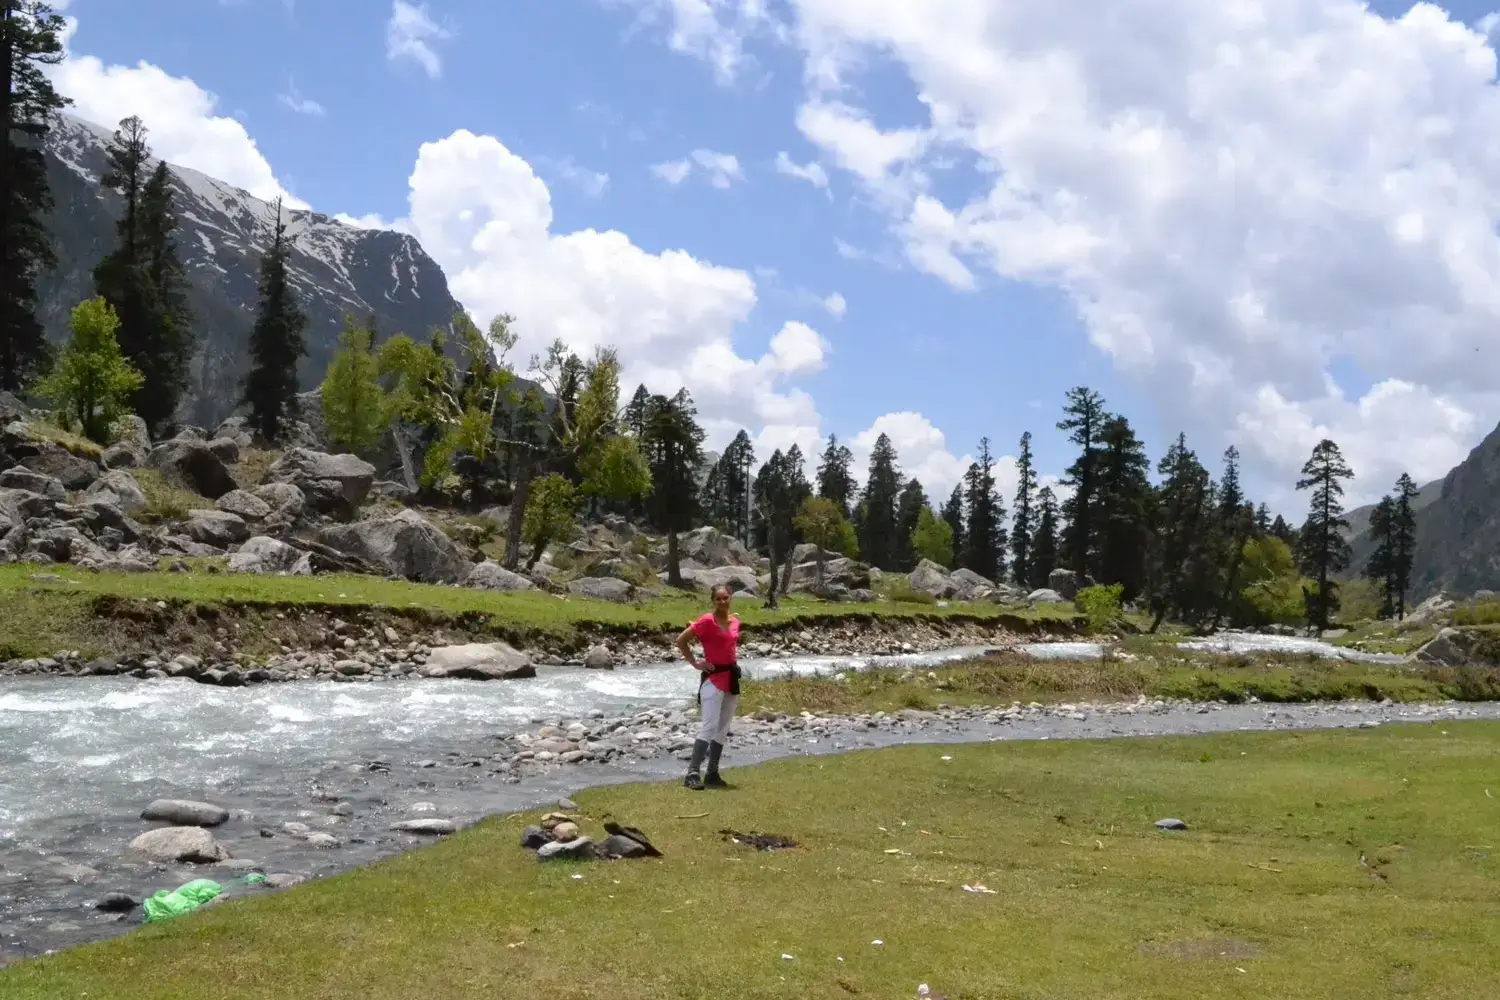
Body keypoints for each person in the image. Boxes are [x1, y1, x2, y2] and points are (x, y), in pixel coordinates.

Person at [675, 583, 740, 790]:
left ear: (731, 598)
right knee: (709, 725)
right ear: (713, 601)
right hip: (713, 679)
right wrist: (696, 663)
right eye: (718, 598)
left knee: (723, 728)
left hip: (731, 678)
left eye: (725, 598)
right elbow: (681, 640)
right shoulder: (706, 621)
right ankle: (692, 773)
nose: (722, 601)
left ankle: (712, 773)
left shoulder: (735, 622)